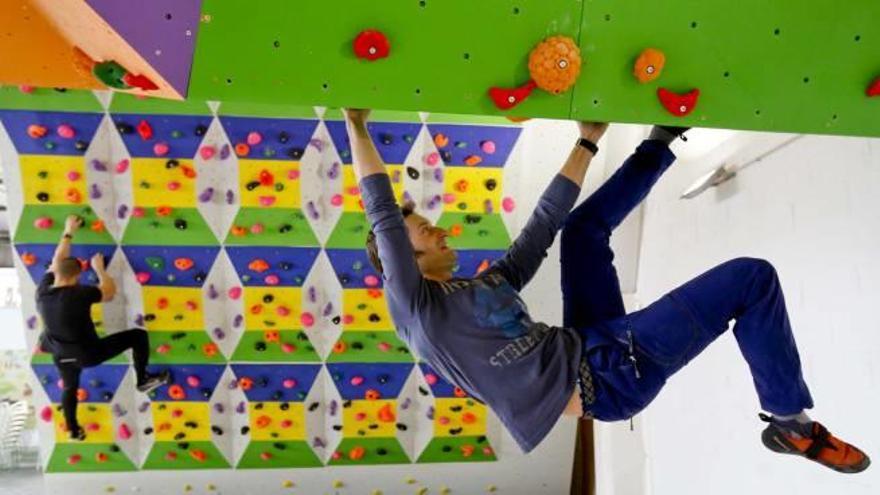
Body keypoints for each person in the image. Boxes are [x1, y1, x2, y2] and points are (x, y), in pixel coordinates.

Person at [346, 108, 870, 473]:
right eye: (423, 232)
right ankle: (790, 423)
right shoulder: (417, 311)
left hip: (588, 340)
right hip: (611, 377)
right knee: (751, 278)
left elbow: (543, 225)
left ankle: (661, 139)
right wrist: (356, 125)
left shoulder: (486, 285)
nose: (436, 231)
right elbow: (382, 212)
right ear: (405, 259)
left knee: (579, 232)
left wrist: (588, 140)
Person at [37, 215, 169, 441]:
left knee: (69, 389)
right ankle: (143, 379)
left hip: (60, 354)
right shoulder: (79, 294)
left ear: (55, 273)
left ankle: (73, 429)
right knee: (138, 336)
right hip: (87, 354)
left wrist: (68, 231)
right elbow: (109, 292)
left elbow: (58, 259)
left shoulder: (43, 291)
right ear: (76, 277)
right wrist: (100, 270)